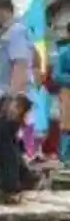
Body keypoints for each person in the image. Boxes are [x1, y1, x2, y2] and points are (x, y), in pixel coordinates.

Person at [0, 0, 35, 205]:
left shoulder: (16, 32)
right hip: (4, 92)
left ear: (2, 10)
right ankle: (24, 176)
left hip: (14, 94)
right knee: (5, 138)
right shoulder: (6, 33)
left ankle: (10, 189)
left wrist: (14, 98)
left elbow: (20, 65)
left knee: (3, 139)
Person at [51, 23, 70, 162]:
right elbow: (56, 75)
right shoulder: (63, 52)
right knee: (66, 127)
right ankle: (65, 159)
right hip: (67, 93)